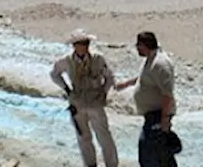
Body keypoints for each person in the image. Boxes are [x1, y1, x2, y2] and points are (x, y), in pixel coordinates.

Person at [50, 29, 119, 167]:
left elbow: (109, 77)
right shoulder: (67, 60)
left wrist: (103, 93)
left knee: (104, 136)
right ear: (75, 46)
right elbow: (54, 74)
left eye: (86, 43)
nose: (85, 45)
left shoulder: (98, 59)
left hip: (95, 102)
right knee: (83, 137)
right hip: (77, 103)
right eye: (81, 43)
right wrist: (67, 90)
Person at [115, 30, 178, 167]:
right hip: (152, 115)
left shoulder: (160, 64)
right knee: (161, 154)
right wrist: (127, 84)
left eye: (138, 45)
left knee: (148, 154)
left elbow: (167, 94)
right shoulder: (151, 60)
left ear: (145, 45)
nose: (137, 48)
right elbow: (147, 77)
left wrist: (165, 121)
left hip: (158, 115)